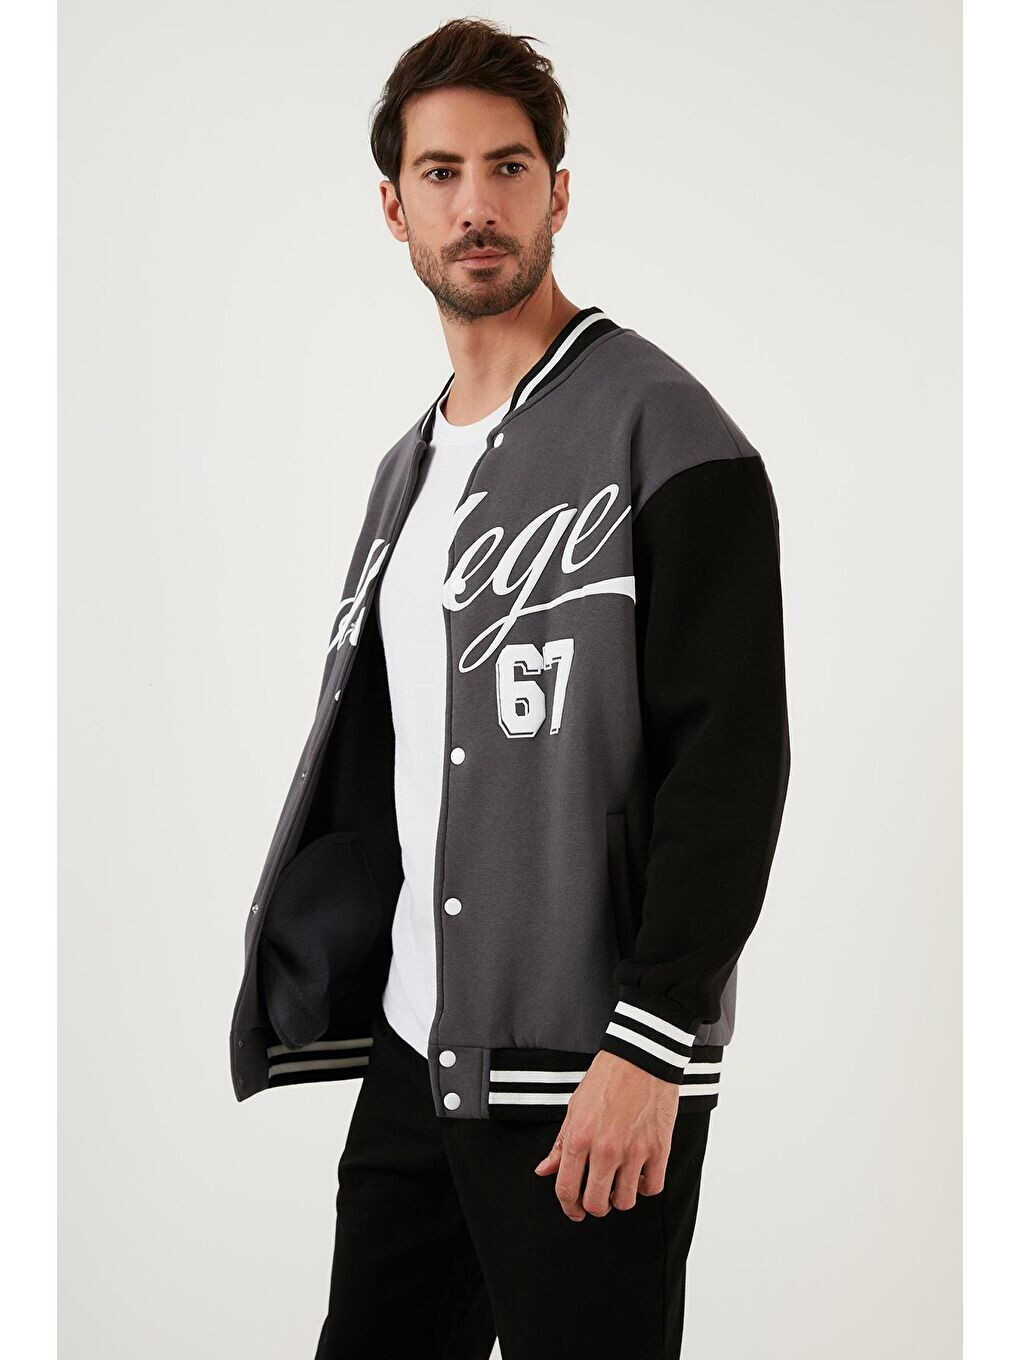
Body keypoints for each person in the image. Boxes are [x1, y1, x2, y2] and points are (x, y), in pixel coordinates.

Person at [229, 17, 791, 1359]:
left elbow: (731, 762)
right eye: (440, 173)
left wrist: (650, 1046)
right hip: (421, 1058)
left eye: (508, 167)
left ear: (558, 192)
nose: (475, 205)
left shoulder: (668, 431)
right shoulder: (404, 473)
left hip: (592, 1072)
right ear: (394, 206)